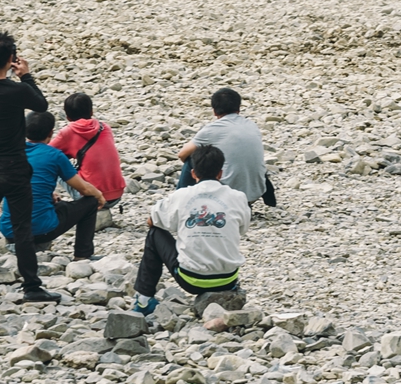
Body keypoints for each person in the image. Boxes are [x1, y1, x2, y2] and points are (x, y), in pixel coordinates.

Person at [0, 31, 59, 305]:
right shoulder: (17, 91)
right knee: (22, 229)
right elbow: (41, 104)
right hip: (15, 169)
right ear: (11, 59)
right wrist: (25, 75)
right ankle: (31, 286)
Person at [133, 143, 250, 316]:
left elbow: (153, 220)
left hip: (191, 280)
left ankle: (143, 300)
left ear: (193, 173)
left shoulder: (181, 196)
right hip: (228, 278)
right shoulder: (238, 198)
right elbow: (242, 230)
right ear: (220, 173)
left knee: (155, 234)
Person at [0, 111, 104, 262]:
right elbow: (85, 189)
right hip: (41, 231)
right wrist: (99, 196)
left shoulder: (10, 153)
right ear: (51, 133)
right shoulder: (54, 155)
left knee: (53, 203)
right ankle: (82, 254)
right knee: (90, 202)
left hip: (10, 231)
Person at [176, 87, 270, 206]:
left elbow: (182, 154)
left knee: (193, 158)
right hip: (253, 193)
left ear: (214, 111)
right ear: (239, 108)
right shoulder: (252, 125)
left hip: (225, 197)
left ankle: (181, 202)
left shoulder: (212, 129)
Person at [52, 92, 126, 210]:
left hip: (92, 198)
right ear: (91, 112)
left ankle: (47, 199)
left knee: (55, 164)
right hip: (116, 196)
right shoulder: (104, 127)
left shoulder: (68, 132)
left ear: (67, 117)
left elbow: (47, 154)